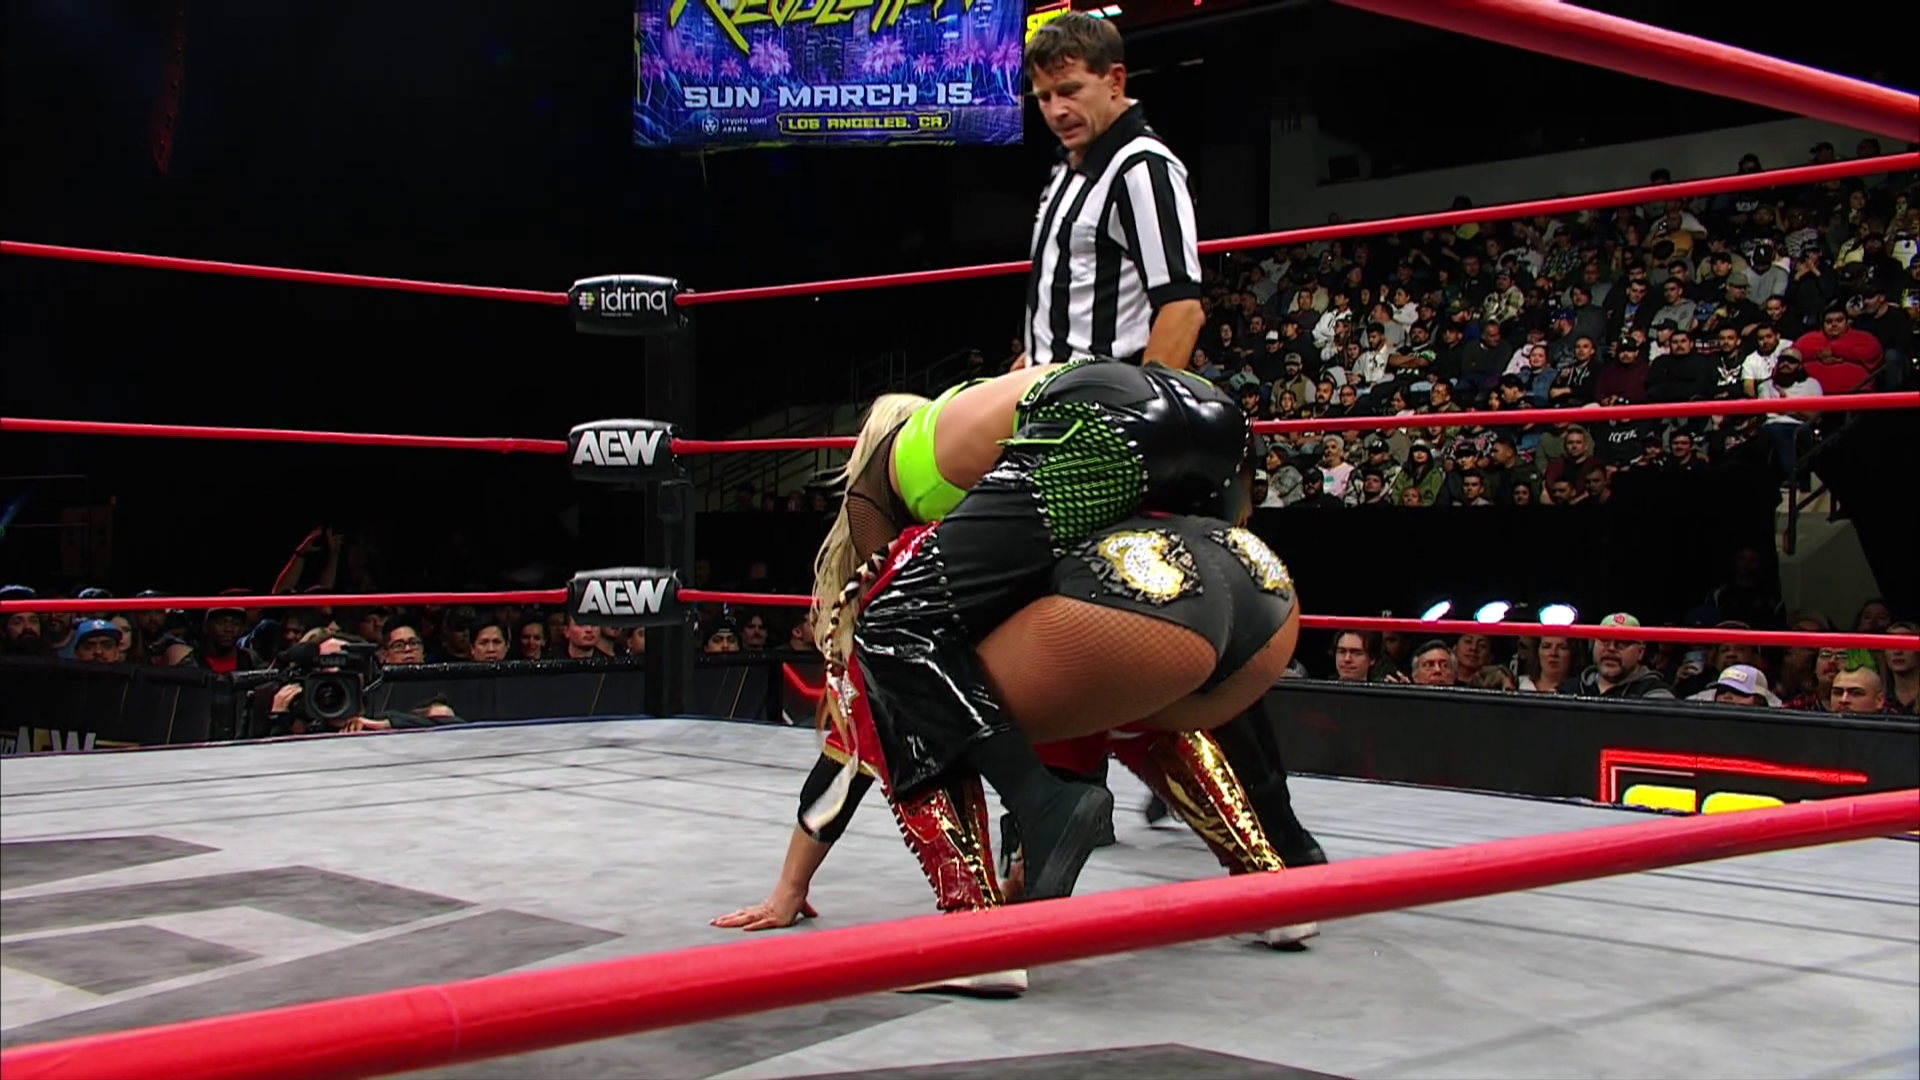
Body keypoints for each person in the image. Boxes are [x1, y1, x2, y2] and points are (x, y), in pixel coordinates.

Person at [716, 509, 1313, 993]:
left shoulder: (912, 567)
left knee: (905, 718)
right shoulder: (1042, 517)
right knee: (1146, 711)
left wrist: (789, 887)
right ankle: (1266, 887)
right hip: (1194, 570)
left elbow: (847, 760)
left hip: (1048, 656)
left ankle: (976, 931)